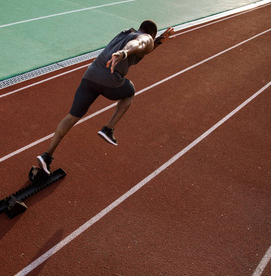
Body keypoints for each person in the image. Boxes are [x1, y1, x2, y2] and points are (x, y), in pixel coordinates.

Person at [37, 20, 175, 174]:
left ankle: (47, 155)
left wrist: (159, 41)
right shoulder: (145, 38)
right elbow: (140, 44)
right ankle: (108, 128)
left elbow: (143, 47)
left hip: (90, 76)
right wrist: (124, 53)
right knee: (130, 92)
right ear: (151, 34)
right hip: (110, 80)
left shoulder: (126, 33)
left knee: (71, 117)